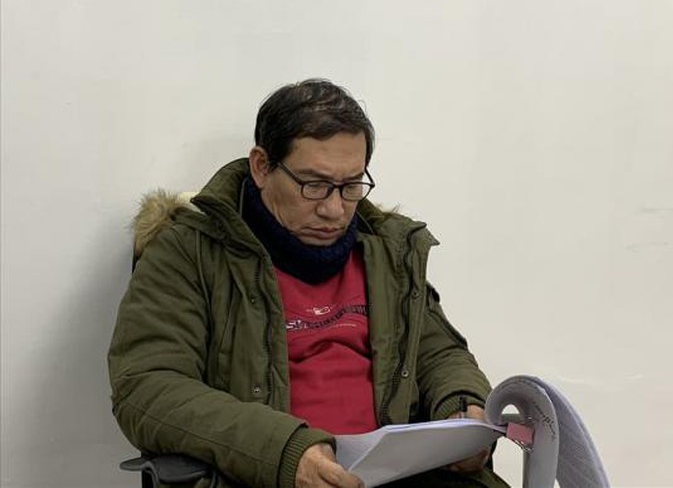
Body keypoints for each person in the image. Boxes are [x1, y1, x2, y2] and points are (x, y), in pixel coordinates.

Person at [108, 79, 508, 488]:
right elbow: (147, 387)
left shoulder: (389, 251)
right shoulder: (189, 252)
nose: (334, 209)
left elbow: (439, 352)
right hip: (264, 476)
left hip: (402, 475)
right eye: (313, 185)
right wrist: (282, 452)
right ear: (262, 166)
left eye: (351, 186)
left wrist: (462, 409)